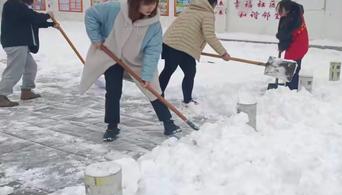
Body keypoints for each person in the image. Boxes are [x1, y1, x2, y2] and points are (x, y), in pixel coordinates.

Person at [80, 0, 181, 141]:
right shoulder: (115, 9)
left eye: (154, 3)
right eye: (146, 3)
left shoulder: (154, 24)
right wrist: (96, 38)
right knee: (113, 91)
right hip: (112, 55)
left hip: (136, 60)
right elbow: (91, 14)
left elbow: (153, 51)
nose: (151, 7)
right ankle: (112, 126)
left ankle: (168, 123)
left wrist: (146, 76)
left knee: (154, 89)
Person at [159, 0, 230, 105]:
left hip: (170, 42)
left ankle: (159, 96)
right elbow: (209, 36)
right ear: (213, 4)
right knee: (187, 72)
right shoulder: (207, 14)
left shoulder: (190, 8)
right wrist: (223, 53)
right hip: (181, 46)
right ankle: (176, 99)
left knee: (171, 70)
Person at [0, 0, 56, 108]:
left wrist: (51, 24)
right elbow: (33, 17)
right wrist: (47, 15)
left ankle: (26, 91)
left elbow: (32, 22)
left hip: (20, 43)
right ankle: (1, 95)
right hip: (15, 42)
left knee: (31, 67)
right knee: (14, 70)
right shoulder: (13, 4)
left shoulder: (20, 7)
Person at [275, 0, 309, 90]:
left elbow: (286, 34)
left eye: (281, 10)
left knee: (291, 64)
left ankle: (292, 87)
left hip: (298, 45)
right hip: (300, 44)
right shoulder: (295, 13)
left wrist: (281, 45)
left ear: (287, 9)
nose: (280, 13)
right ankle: (291, 84)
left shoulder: (293, 18)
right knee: (293, 64)